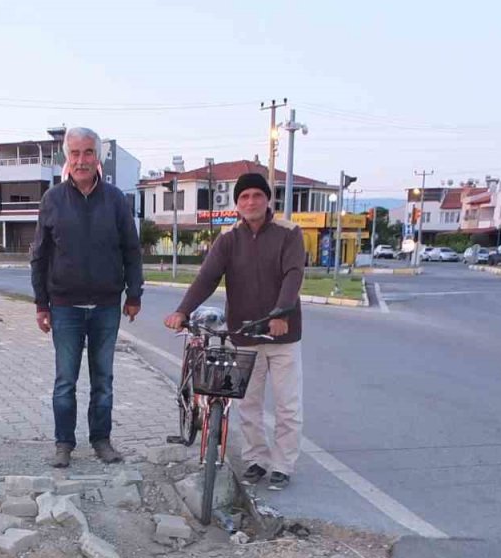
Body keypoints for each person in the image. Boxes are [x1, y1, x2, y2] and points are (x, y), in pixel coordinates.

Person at [164, 171, 304, 490]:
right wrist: (182, 310)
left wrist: (281, 312)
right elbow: (207, 277)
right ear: (237, 204)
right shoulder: (228, 238)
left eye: (257, 195)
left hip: (282, 334)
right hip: (243, 334)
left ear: (268, 199)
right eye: (244, 197)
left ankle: (283, 465)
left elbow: (293, 275)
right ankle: (256, 459)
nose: (251, 201)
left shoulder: (289, 232)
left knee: (287, 404)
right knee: (248, 404)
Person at [30, 126, 143, 468]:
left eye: (88, 153)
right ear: (67, 157)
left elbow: (132, 250)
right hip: (64, 307)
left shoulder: (116, 201)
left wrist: (133, 294)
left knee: (103, 380)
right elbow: (40, 255)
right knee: (65, 380)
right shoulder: (52, 200)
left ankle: (101, 440)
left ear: (99, 157)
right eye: (75, 153)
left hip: (106, 307)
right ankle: (63, 443)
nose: (81, 160)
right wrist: (40, 304)